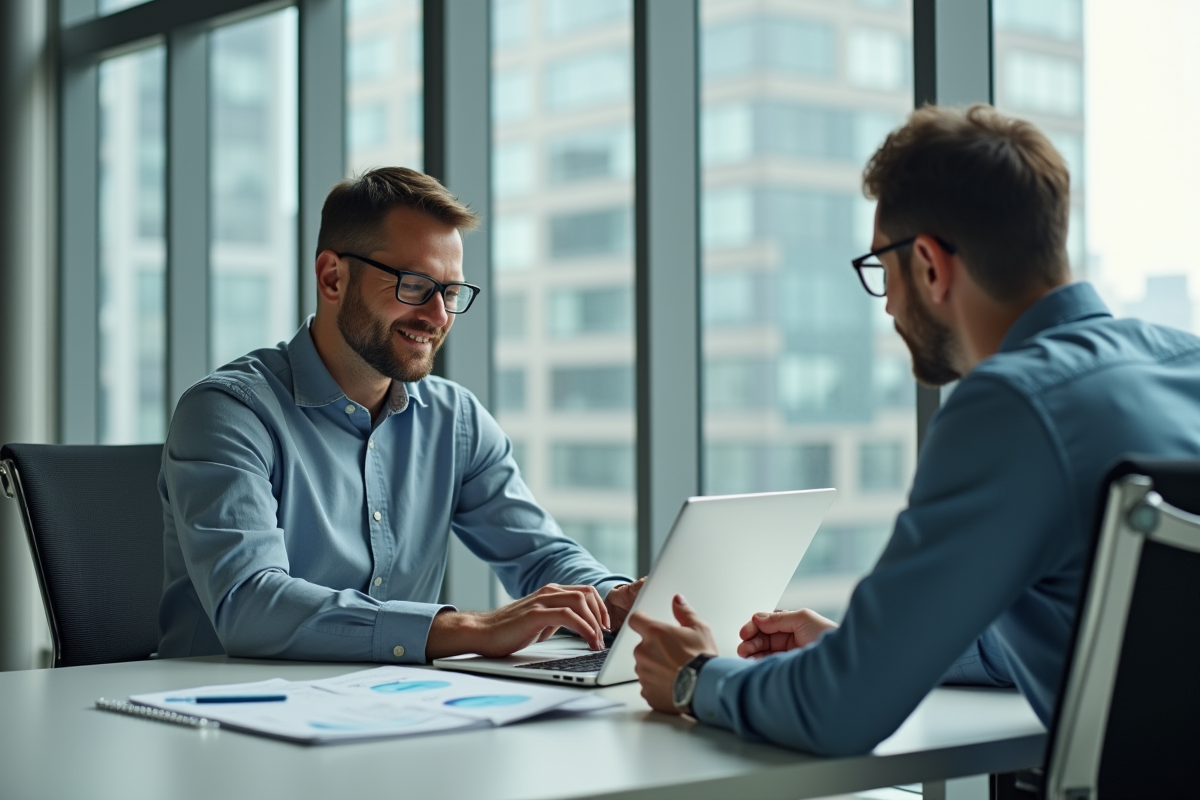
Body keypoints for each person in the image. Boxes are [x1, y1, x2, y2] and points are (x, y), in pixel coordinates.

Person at [628, 104, 1200, 755]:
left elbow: (838, 713)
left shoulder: (1010, 407)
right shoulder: (1186, 360)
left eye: (882, 269)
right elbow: (1107, 634)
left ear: (929, 264)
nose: (890, 305)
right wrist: (866, 648)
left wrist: (696, 679)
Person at [158, 167, 642, 663]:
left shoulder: (455, 420)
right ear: (332, 278)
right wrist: (472, 627)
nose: (438, 317)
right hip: (218, 712)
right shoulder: (229, 412)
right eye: (414, 285)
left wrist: (613, 598)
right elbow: (251, 604)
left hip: (396, 708)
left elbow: (538, 554)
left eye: (451, 293)